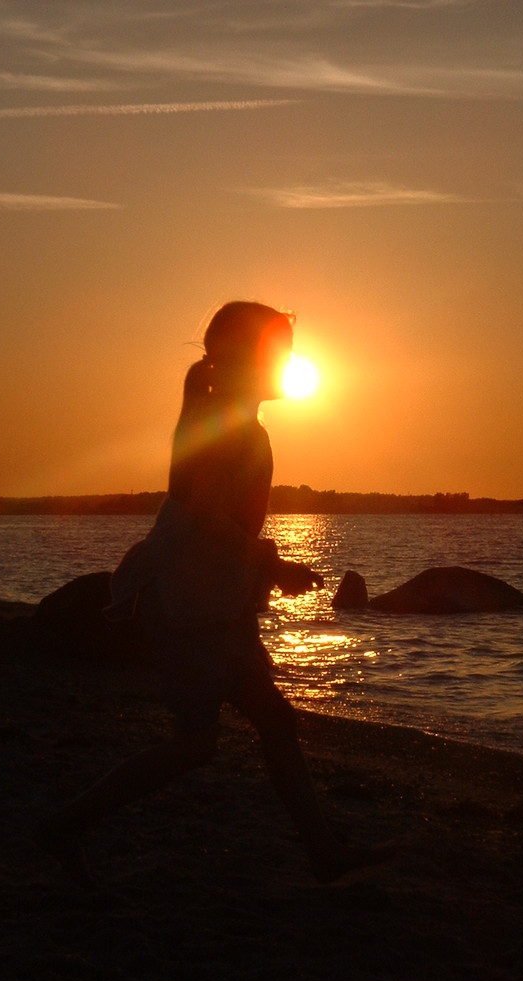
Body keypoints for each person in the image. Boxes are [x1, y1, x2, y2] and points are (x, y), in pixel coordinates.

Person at [36, 300, 387, 886]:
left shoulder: (235, 421)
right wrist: (272, 564)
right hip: (191, 601)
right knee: (198, 744)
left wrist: (259, 570)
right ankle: (64, 825)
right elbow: (202, 517)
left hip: (211, 597)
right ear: (249, 359)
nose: (290, 361)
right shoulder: (226, 423)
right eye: (280, 351)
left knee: (274, 723)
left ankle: (323, 852)